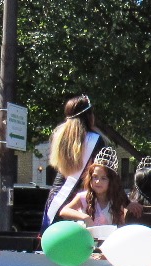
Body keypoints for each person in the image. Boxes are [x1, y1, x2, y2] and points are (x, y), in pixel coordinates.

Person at [40, 95, 141, 233]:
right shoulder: (94, 140)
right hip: (79, 204)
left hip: (57, 201)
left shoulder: (61, 137)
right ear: (89, 116)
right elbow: (107, 172)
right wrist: (127, 203)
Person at [60, 147, 127, 227]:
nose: (98, 182)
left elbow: (121, 225)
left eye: (103, 178)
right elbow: (64, 211)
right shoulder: (83, 197)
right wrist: (85, 217)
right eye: (95, 177)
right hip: (86, 238)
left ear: (111, 181)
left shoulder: (115, 201)